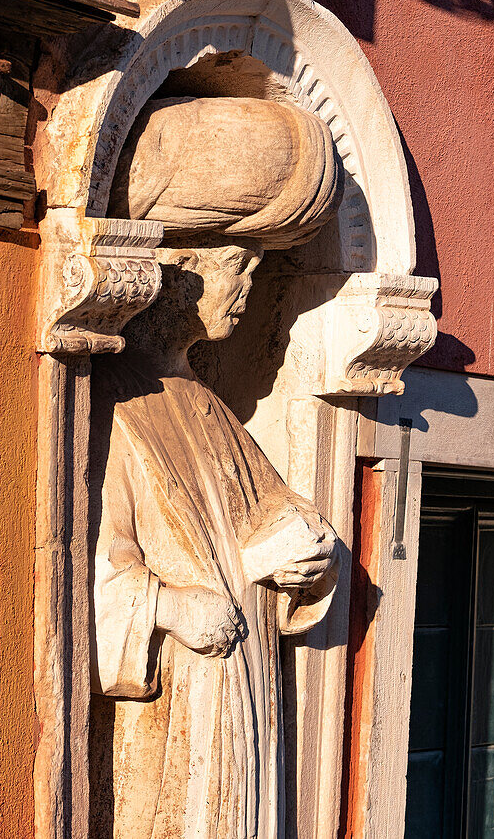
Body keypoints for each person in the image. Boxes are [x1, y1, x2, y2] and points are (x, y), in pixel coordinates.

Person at [89, 96, 344, 838]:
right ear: (177, 271)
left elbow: (274, 514)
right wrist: (168, 607)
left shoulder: (205, 405)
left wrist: (308, 556)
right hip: (184, 703)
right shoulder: (113, 397)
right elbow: (94, 565)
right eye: (236, 266)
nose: (246, 289)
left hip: (245, 692)